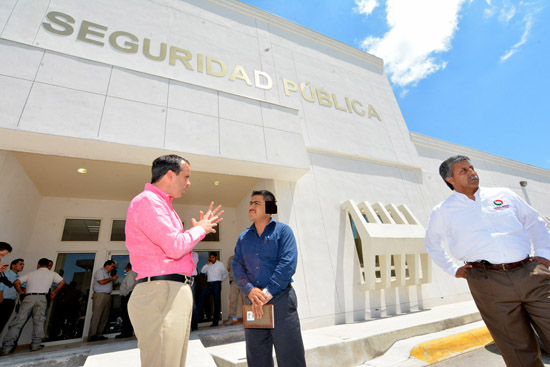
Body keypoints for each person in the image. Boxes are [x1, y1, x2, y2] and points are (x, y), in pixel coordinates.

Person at [425, 155, 550, 367]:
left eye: (471, 167)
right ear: (450, 179)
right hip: (487, 281)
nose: (472, 172)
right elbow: (432, 244)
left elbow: (535, 222)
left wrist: (544, 254)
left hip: (530, 272)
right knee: (516, 348)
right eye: (463, 170)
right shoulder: (443, 211)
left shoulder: (503, 195)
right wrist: (453, 269)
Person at [125, 154, 223, 367]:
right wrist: (199, 229)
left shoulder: (163, 206)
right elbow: (175, 246)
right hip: (161, 292)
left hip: (170, 291)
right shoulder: (147, 201)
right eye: (186, 177)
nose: (189, 183)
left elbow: (174, 245)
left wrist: (197, 231)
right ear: (170, 175)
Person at [233, 190, 306, 367]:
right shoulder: (243, 238)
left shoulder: (283, 232)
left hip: (281, 301)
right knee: (257, 358)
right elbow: (237, 266)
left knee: (290, 357)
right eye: (250, 203)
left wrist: (266, 293)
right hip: (253, 304)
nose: (251, 206)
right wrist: (250, 290)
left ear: (270, 208)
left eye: (256, 203)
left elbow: (288, 264)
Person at [1, 258, 65, 355]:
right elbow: (62, 282)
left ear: (38, 265)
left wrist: (20, 291)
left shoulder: (31, 273)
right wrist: (54, 292)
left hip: (29, 297)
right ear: (48, 265)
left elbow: (16, 282)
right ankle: (36, 344)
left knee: (18, 321)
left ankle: (6, 348)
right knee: (39, 322)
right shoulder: (52, 274)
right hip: (42, 298)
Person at [88, 260, 118, 342]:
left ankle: (99, 334)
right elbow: (101, 282)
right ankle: (92, 335)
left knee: (104, 316)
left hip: (107, 295)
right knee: (97, 315)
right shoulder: (100, 272)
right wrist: (112, 279)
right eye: (112, 266)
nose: (112, 268)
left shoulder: (108, 274)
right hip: (100, 295)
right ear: (107, 265)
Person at [197, 252, 227, 327]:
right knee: (200, 297)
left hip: (216, 284)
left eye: (213, 257)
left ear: (216, 257)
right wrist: (207, 264)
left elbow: (225, 274)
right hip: (209, 284)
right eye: (210, 257)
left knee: (216, 303)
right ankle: (200, 316)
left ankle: (215, 322)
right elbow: (202, 272)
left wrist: (220, 280)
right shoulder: (208, 265)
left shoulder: (220, 264)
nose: (211, 259)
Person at [0, 258, 24, 334]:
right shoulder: (6, 275)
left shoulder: (18, 277)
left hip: (10, 302)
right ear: (13, 265)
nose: (22, 266)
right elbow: (0, 287)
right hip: (3, 301)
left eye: (23, 264)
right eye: (20, 264)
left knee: (2, 324)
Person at [116, 263, 137, 338]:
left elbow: (130, 285)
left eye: (126, 267)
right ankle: (127, 331)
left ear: (128, 267)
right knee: (127, 315)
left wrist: (125, 294)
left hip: (127, 296)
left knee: (125, 315)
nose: (125, 269)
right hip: (128, 295)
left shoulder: (131, 273)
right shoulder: (133, 273)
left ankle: (126, 332)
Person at [224, 254, 245, 325]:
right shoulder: (231, 258)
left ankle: (246, 319)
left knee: (245, 301)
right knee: (233, 301)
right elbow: (229, 269)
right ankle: (233, 320)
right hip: (234, 282)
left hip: (244, 282)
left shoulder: (245, 257)